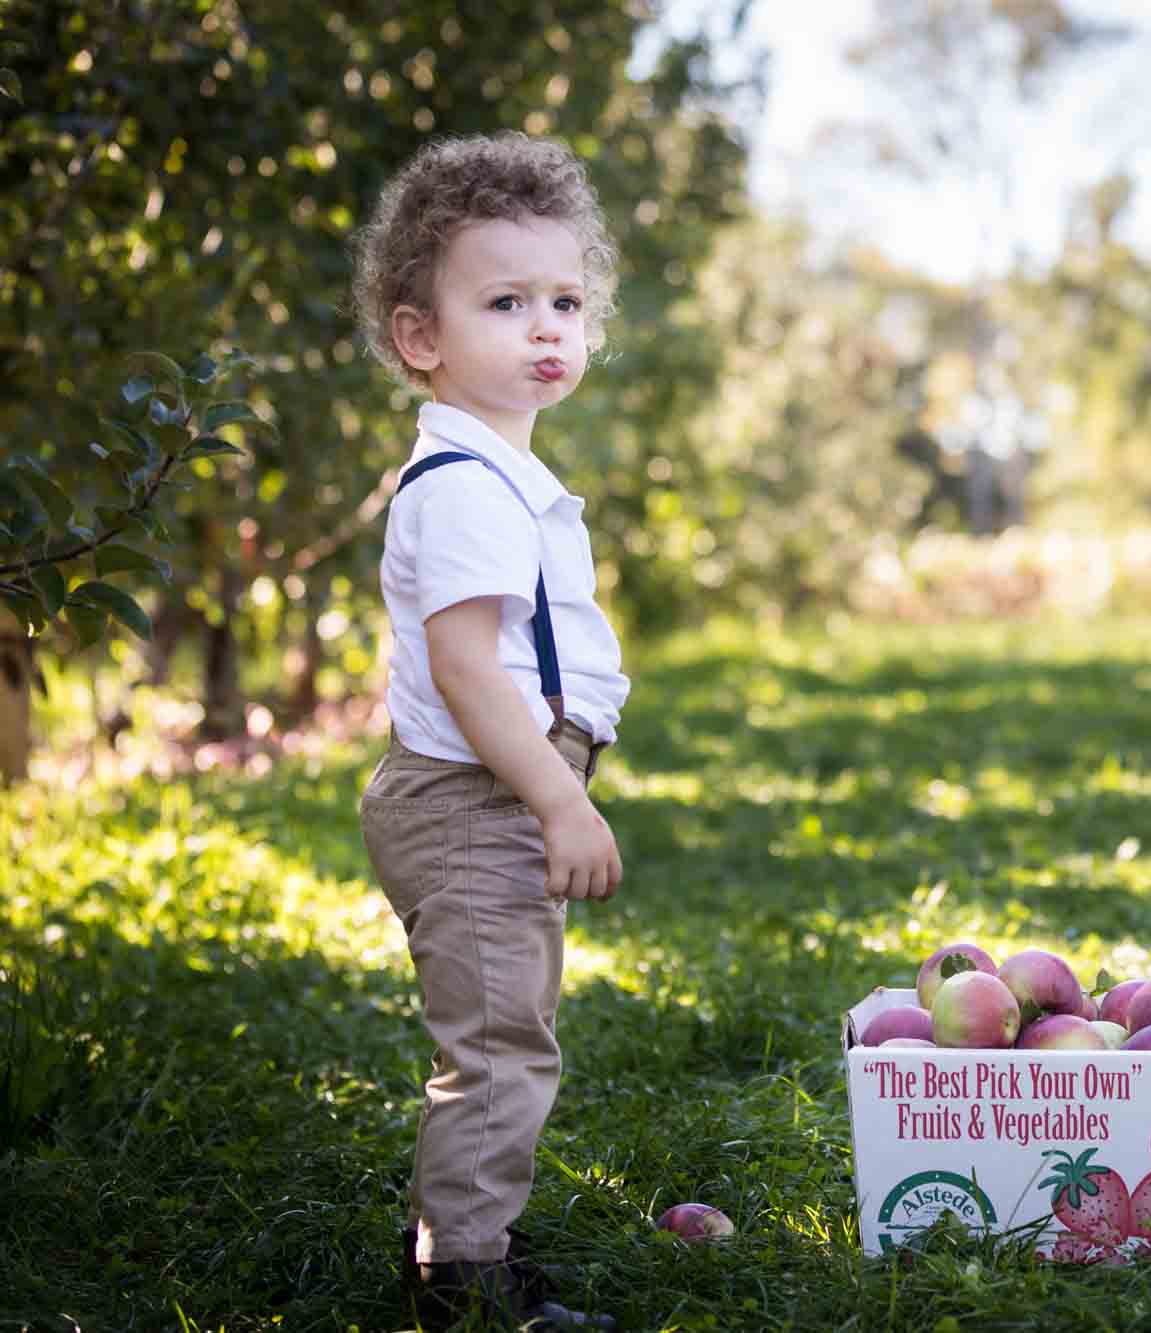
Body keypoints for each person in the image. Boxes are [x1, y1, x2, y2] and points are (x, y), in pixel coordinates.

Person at [352, 132, 628, 1328]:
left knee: (512, 1025)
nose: (545, 327)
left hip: (493, 794)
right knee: (501, 1044)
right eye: (505, 302)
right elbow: (468, 671)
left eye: (564, 300)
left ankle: (470, 1241)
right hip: (478, 798)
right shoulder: (464, 484)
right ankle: (461, 1279)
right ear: (423, 339)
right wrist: (558, 798)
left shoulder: (497, 468)